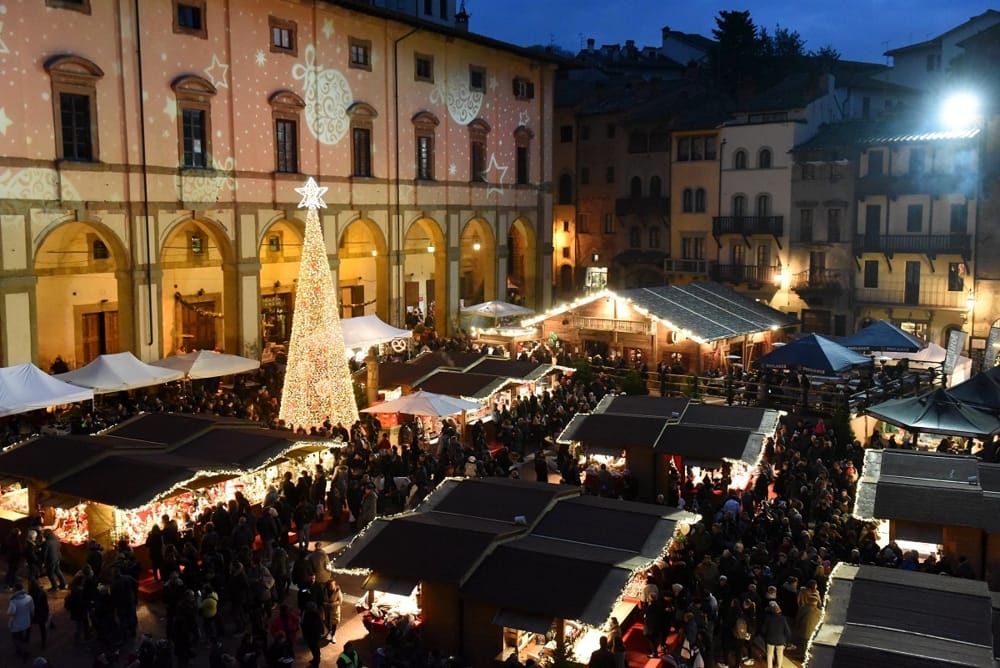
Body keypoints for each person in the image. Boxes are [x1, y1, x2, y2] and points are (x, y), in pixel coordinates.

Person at [8, 581, 36, 661]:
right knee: (22, 637)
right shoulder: (29, 598)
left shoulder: (14, 601)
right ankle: (25, 651)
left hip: (16, 624)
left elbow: (11, 612)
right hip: (26, 622)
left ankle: (20, 651)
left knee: (15, 637)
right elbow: (32, 610)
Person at [761, 601, 792, 668]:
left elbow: (763, 630)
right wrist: (787, 641)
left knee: (769, 655)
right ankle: (779, 666)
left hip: (770, 640)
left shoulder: (768, 618)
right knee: (780, 655)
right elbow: (788, 631)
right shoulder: (783, 619)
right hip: (780, 641)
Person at [300, 601, 324, 667]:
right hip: (312, 635)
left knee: (314, 648)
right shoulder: (311, 614)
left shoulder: (313, 615)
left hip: (313, 635)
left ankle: (316, 661)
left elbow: (317, 625)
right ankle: (315, 659)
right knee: (313, 647)